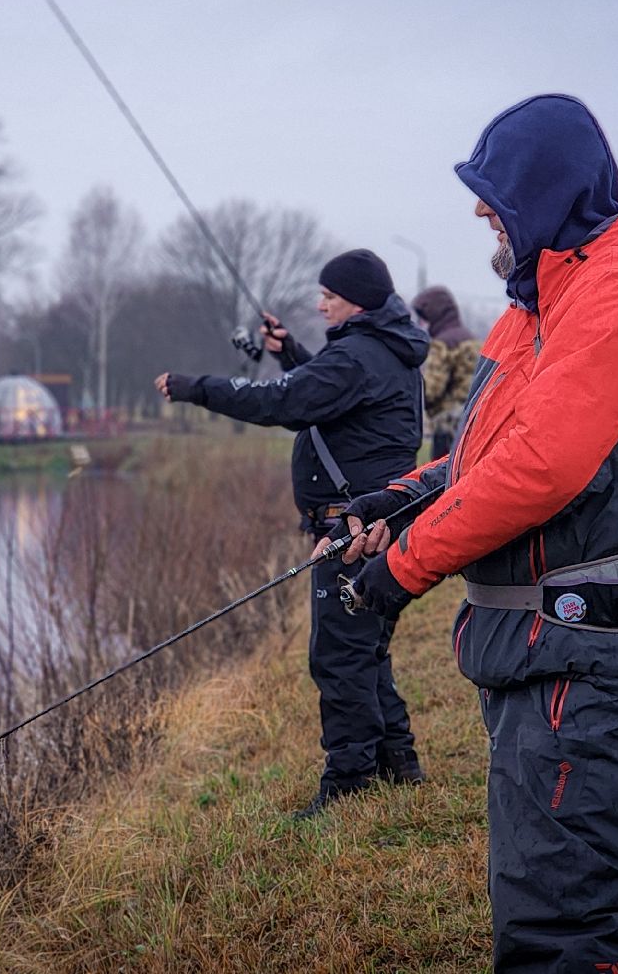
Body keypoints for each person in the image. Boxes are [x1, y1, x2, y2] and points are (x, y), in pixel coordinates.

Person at [326, 94, 618, 971]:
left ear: (544, 190)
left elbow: (543, 466)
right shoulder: (543, 296)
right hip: (549, 660)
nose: (477, 209)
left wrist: (398, 571)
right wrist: (394, 501)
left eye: (491, 189)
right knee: (561, 914)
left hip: (597, 666)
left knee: (561, 933)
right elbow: (483, 454)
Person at [154, 248, 429, 817]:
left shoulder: (357, 356)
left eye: (328, 295)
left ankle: (349, 782)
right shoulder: (385, 350)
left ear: (355, 299)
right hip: (377, 524)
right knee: (367, 648)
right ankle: (398, 765)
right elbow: (326, 393)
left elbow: (285, 401)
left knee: (340, 656)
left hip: (353, 530)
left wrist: (195, 387)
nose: (318, 302)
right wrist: (292, 353)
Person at [411, 285, 478, 461]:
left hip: (447, 428)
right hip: (472, 422)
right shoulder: (469, 337)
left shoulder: (442, 343)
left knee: (441, 482)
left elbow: (431, 391)